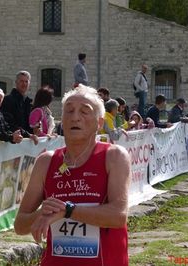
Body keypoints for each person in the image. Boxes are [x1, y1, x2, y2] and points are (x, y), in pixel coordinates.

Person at [14, 85, 131, 265]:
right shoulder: (46, 162)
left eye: (85, 112)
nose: (75, 117)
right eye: (69, 111)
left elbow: (118, 216)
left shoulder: (114, 156)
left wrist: (68, 211)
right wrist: (43, 213)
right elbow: (20, 225)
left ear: (99, 123)